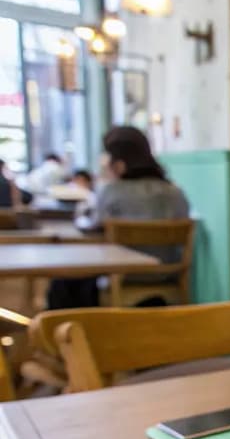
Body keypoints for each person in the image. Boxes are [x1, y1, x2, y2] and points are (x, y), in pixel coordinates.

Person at [49, 128, 191, 309]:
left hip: (122, 275)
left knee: (63, 281)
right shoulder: (175, 192)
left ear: (118, 163)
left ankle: (67, 333)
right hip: (168, 274)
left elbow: (93, 226)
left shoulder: (111, 191)